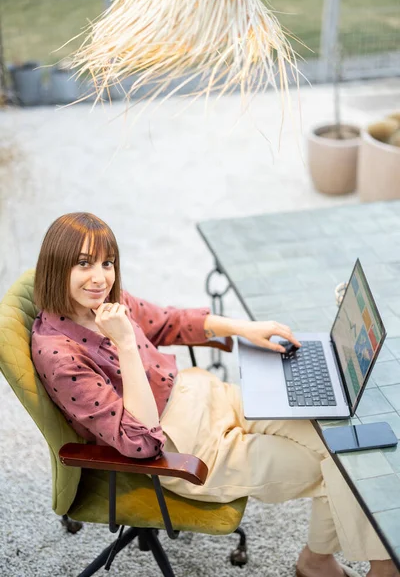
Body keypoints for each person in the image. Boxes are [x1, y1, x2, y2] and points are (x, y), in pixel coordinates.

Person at [31, 212, 398, 577]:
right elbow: (141, 440)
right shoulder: (60, 357)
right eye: (83, 264)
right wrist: (125, 343)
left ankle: (354, 564)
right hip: (184, 445)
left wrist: (245, 329)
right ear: (56, 267)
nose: (101, 277)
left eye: (106, 262)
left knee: (336, 436)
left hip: (203, 393)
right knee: (334, 469)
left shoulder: (106, 302)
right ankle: (328, 565)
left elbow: (169, 321)